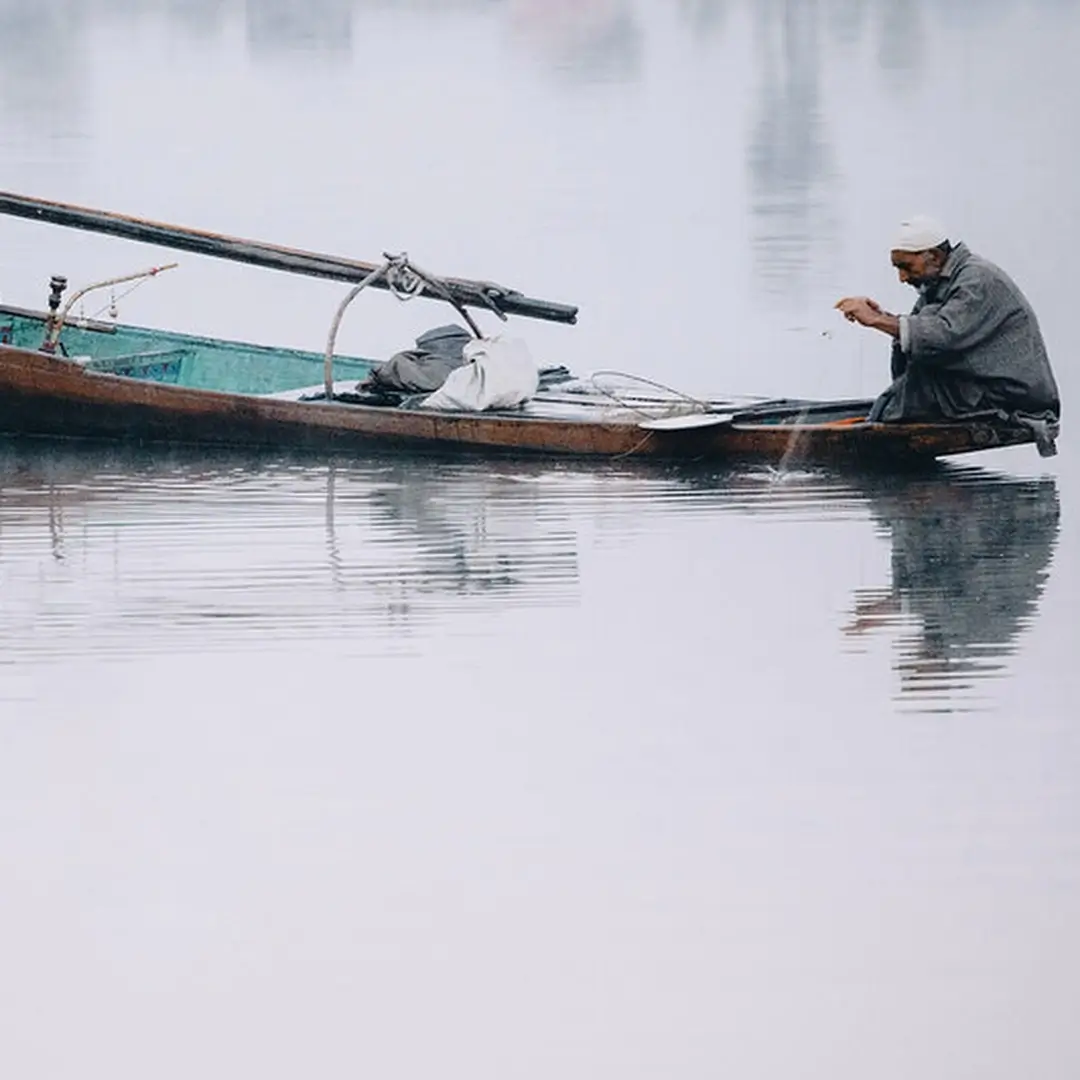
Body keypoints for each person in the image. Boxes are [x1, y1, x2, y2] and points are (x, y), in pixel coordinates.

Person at [834, 216, 1060, 433]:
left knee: (895, 406)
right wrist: (883, 315)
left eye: (906, 267)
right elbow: (923, 325)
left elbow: (943, 335)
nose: (902, 277)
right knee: (893, 402)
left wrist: (876, 320)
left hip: (1011, 396)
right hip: (978, 385)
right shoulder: (940, 279)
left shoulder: (977, 279)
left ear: (933, 256)